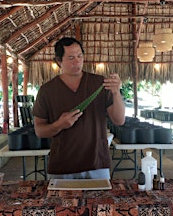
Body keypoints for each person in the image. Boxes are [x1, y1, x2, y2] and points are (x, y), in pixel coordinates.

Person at [32, 37, 125, 179]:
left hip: (97, 164)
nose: (77, 61)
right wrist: (59, 125)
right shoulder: (47, 90)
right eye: (70, 58)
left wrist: (116, 92)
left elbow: (119, 120)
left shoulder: (100, 84)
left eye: (79, 56)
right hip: (62, 166)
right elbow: (39, 130)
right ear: (59, 61)